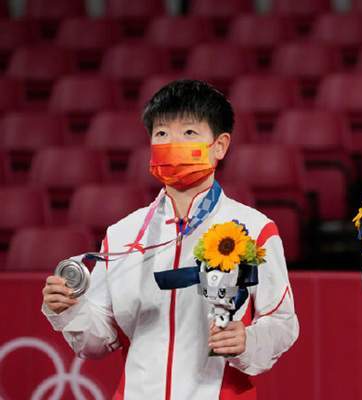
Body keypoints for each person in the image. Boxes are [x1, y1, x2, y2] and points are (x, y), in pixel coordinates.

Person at [41, 80, 299, 399]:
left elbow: (282, 323)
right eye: (161, 134)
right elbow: (99, 340)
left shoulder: (253, 228)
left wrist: (248, 341)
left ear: (220, 145)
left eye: (189, 133)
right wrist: (68, 308)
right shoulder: (123, 234)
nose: (171, 143)